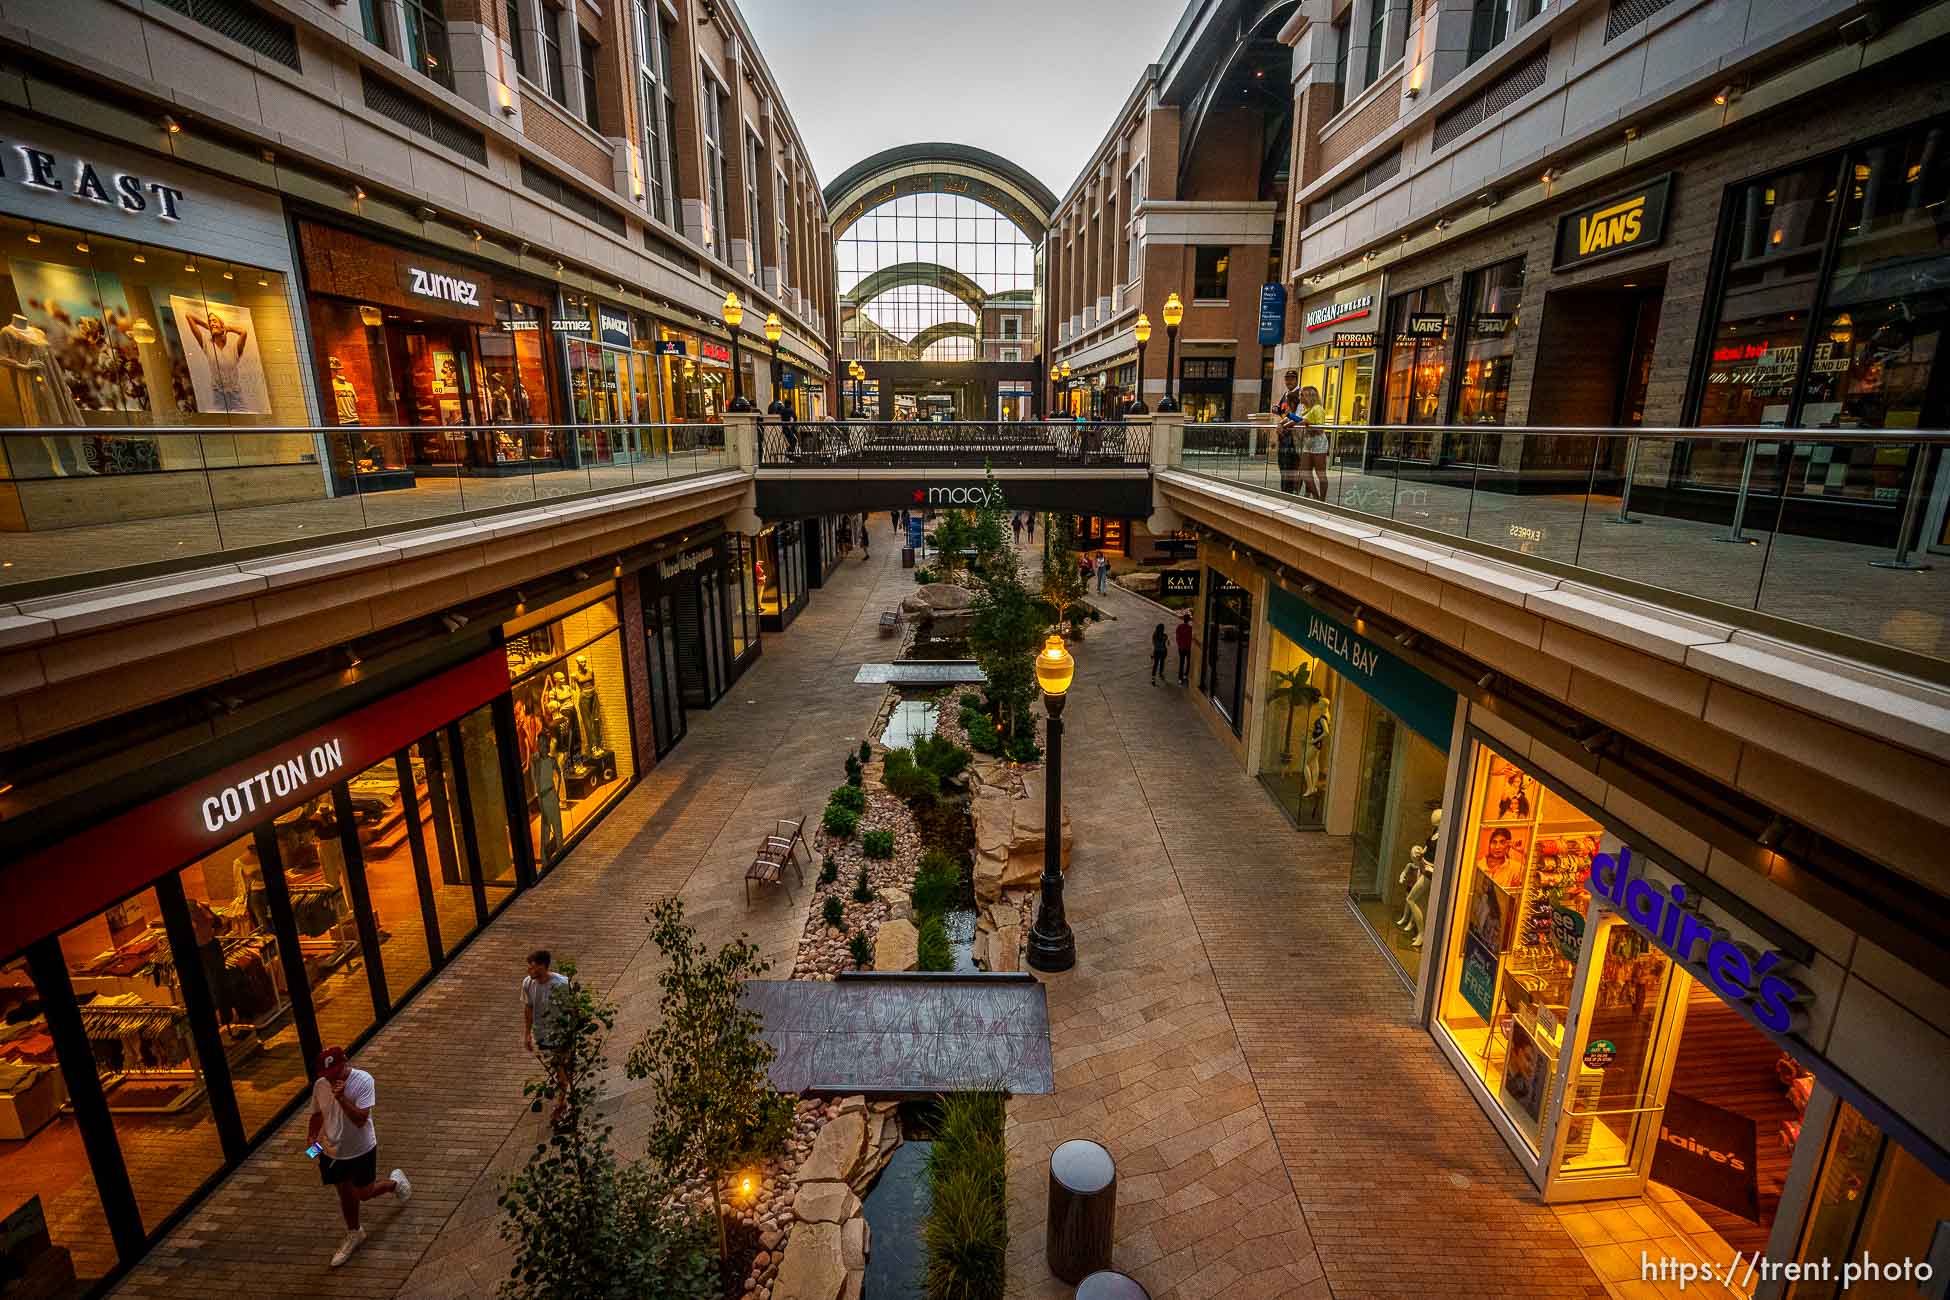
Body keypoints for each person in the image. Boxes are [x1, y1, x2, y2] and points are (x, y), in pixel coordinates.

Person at [308, 1046, 409, 1268]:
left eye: (336, 1071)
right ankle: (354, 1232)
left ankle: (394, 1184)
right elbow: (317, 1114)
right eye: (327, 1074)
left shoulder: (363, 1081)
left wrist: (342, 1098)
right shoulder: (320, 1085)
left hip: (361, 1148)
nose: (332, 1077)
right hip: (331, 1150)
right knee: (344, 1192)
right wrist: (311, 1140)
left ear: (346, 1064)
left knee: (362, 1193)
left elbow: (361, 1119)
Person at [522, 949, 572, 1123]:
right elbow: (528, 1008)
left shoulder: (561, 984)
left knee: (559, 1069)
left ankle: (561, 1104)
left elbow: (572, 1009)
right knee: (557, 1069)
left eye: (533, 967)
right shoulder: (528, 983)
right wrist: (527, 1034)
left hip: (560, 1033)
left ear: (543, 966)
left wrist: (571, 1031)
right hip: (542, 1034)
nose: (530, 971)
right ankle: (565, 1097)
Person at [1298, 384, 1331, 500]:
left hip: (1318, 441)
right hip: (1308, 441)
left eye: (1302, 395)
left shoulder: (1318, 408)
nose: (1300, 397)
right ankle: (1316, 498)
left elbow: (1320, 429)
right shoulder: (1306, 409)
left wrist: (1307, 424)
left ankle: (1322, 500)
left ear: (1308, 396)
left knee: (1320, 473)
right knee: (1304, 471)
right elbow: (1297, 421)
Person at [1175, 612, 1193, 685]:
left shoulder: (1179, 627)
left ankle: (1180, 678)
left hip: (1181, 648)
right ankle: (1186, 675)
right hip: (1188, 648)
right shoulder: (1190, 628)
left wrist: (1179, 645)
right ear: (1189, 620)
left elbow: (1177, 637)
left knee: (1181, 663)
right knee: (1189, 662)